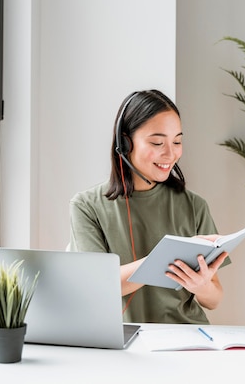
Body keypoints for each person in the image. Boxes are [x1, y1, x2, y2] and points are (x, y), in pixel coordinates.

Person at [68, 89, 229, 324]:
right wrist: (165, 258)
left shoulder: (194, 205)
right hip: (121, 344)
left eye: (177, 141)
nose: (171, 153)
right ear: (125, 143)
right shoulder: (86, 207)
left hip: (188, 341)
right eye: (157, 142)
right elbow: (98, 285)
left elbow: (214, 300)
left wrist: (202, 286)